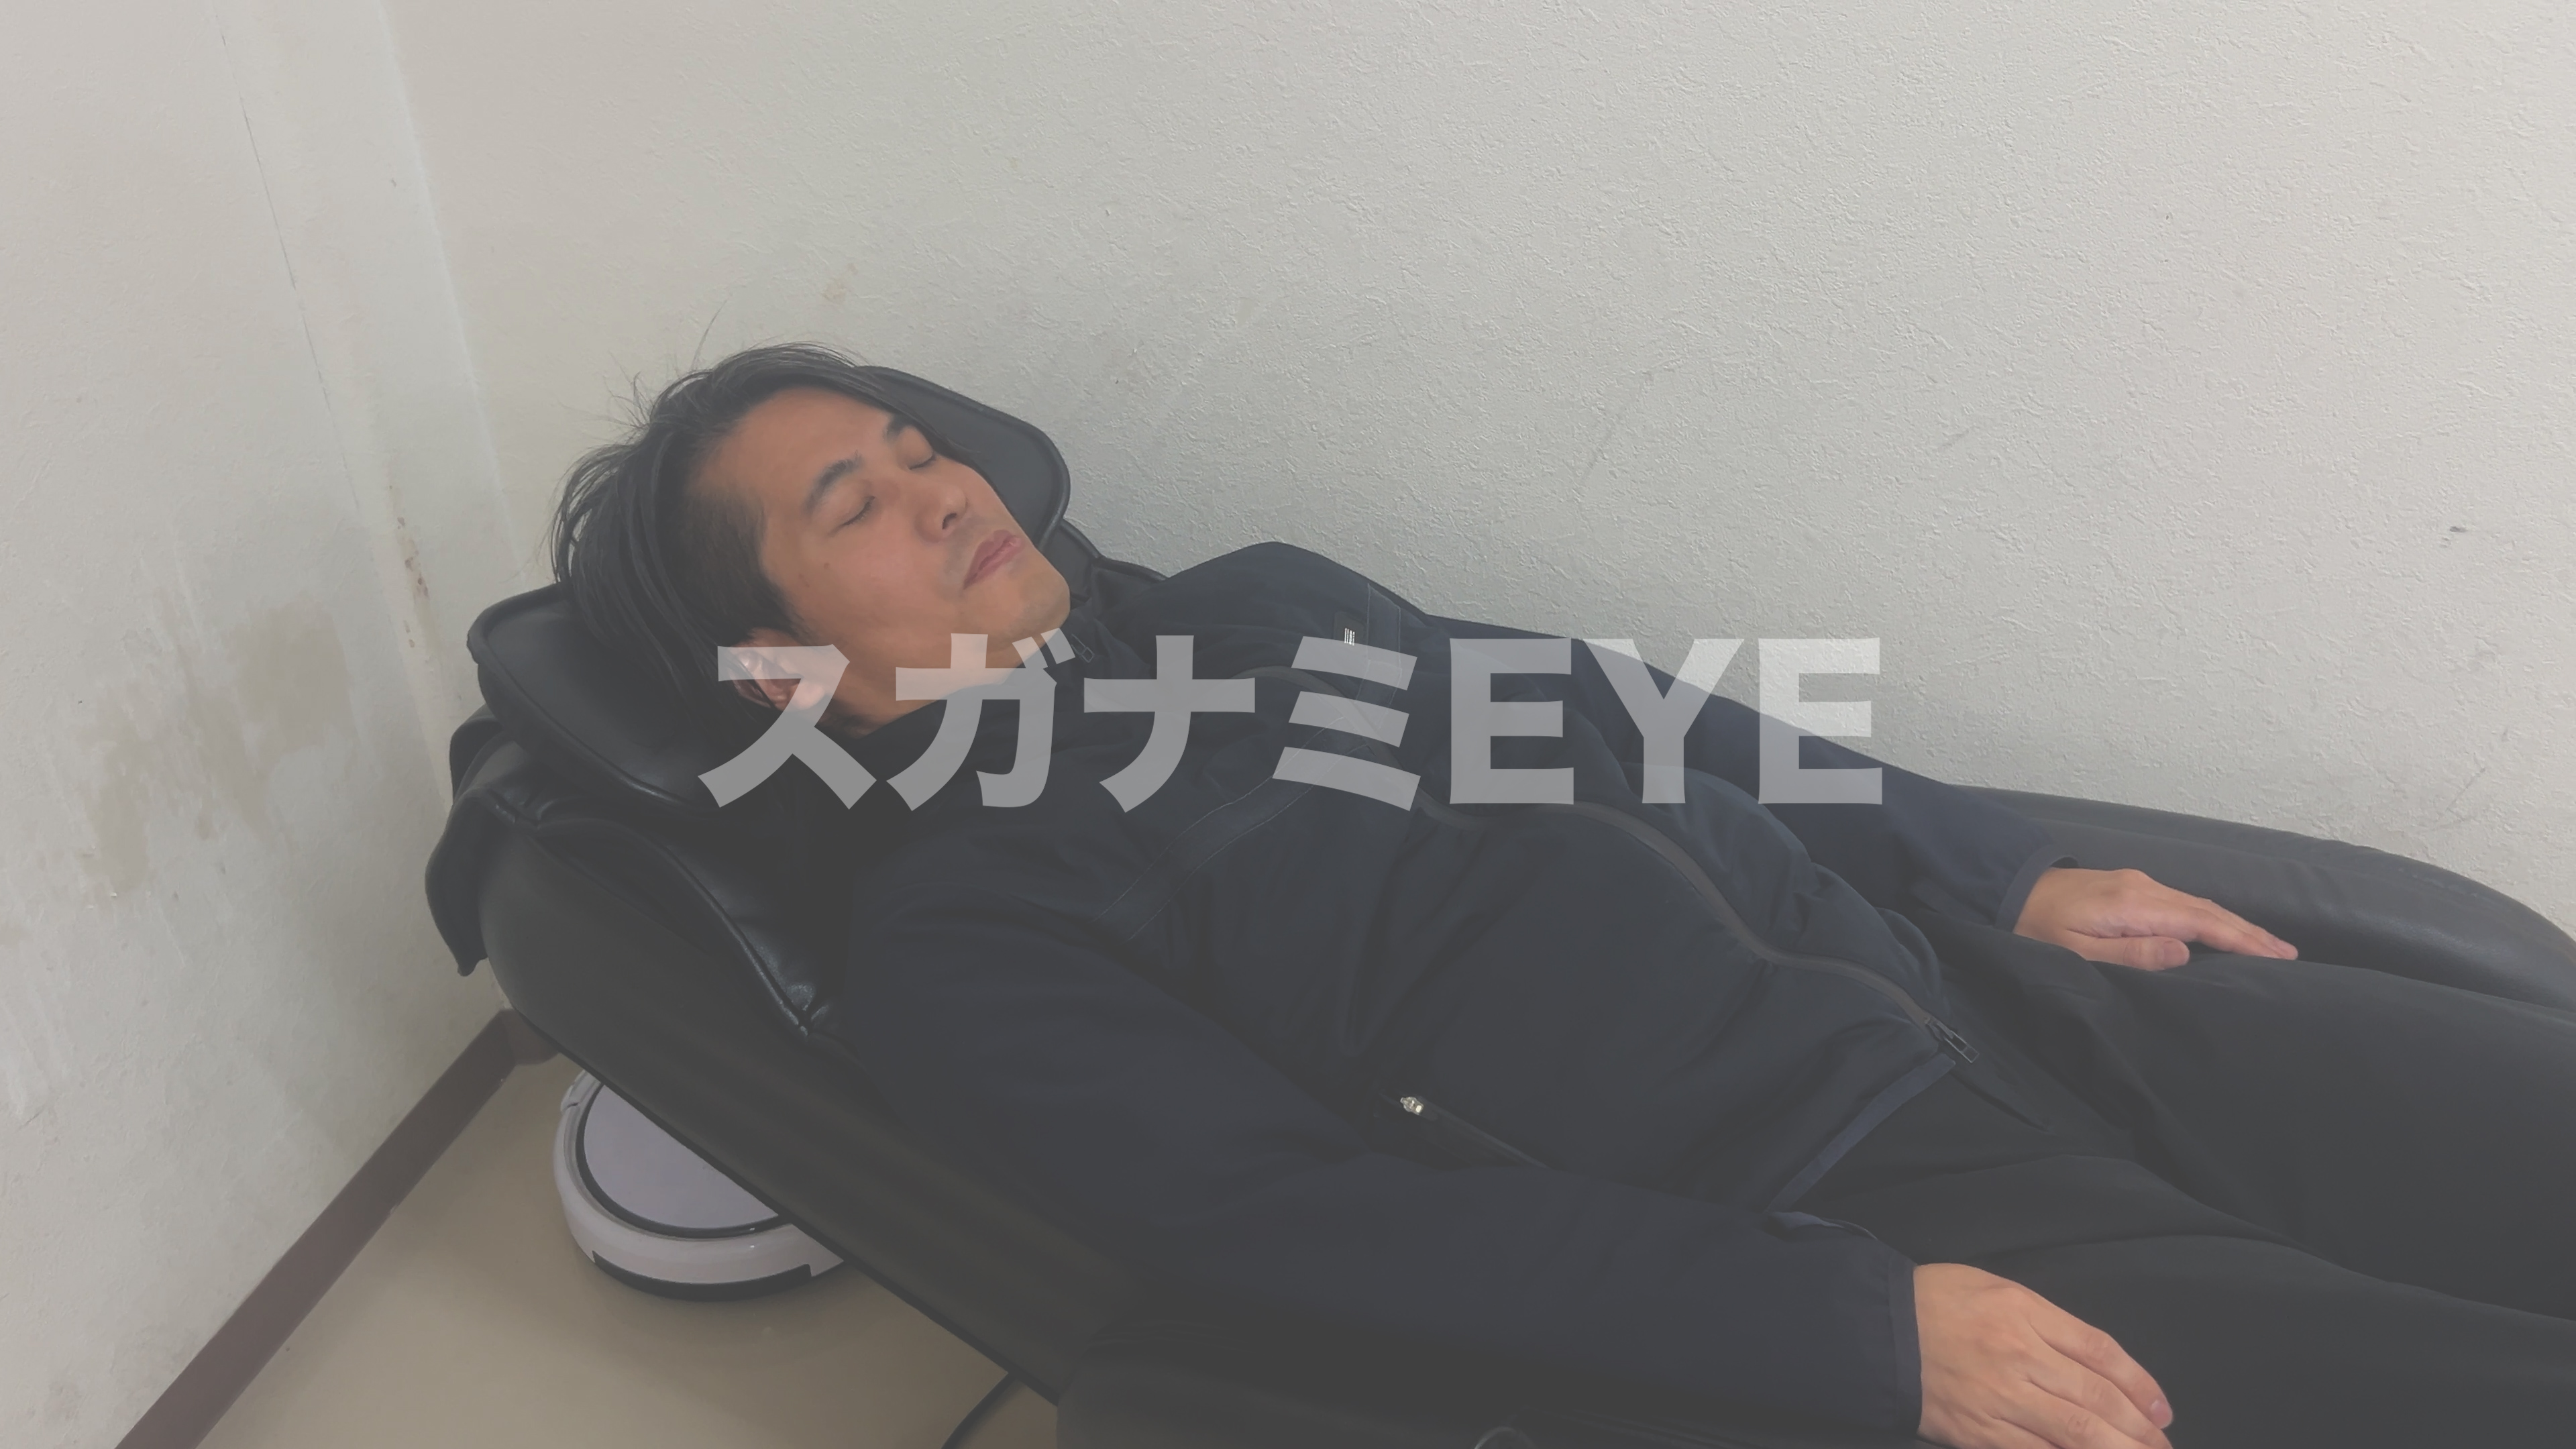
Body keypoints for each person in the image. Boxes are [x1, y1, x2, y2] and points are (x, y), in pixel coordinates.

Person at [550, 344, 2576, 1449]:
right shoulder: (969, 936)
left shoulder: (1256, 613)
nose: (944, 489)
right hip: (1862, 1212)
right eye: (857, 505)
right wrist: (1853, 1329)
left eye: (921, 447)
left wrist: (1997, 864)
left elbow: (1625, 710)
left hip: (1981, 996)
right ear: (778, 665)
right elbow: (1296, 1221)